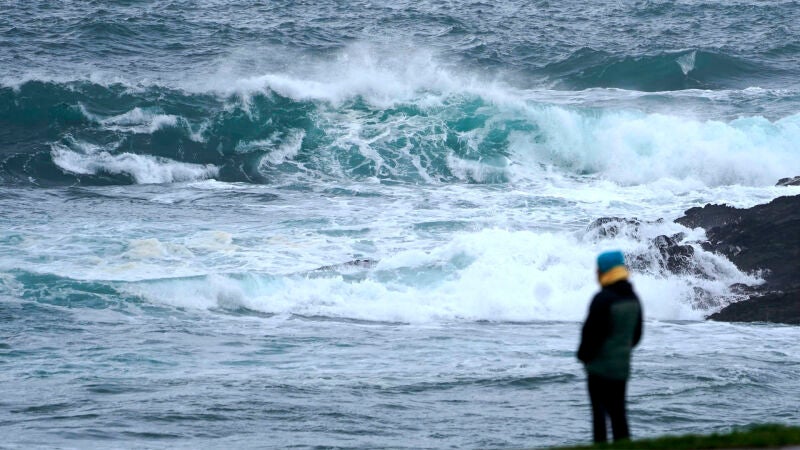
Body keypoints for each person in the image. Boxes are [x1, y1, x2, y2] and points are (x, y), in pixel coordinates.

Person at [577, 250, 643, 443]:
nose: (596, 273)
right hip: (621, 367)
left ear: (605, 271)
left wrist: (583, 356)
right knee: (619, 414)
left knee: (599, 418)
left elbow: (590, 336)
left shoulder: (602, 299)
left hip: (599, 368)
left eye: (598, 269)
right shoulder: (633, 298)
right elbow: (636, 335)